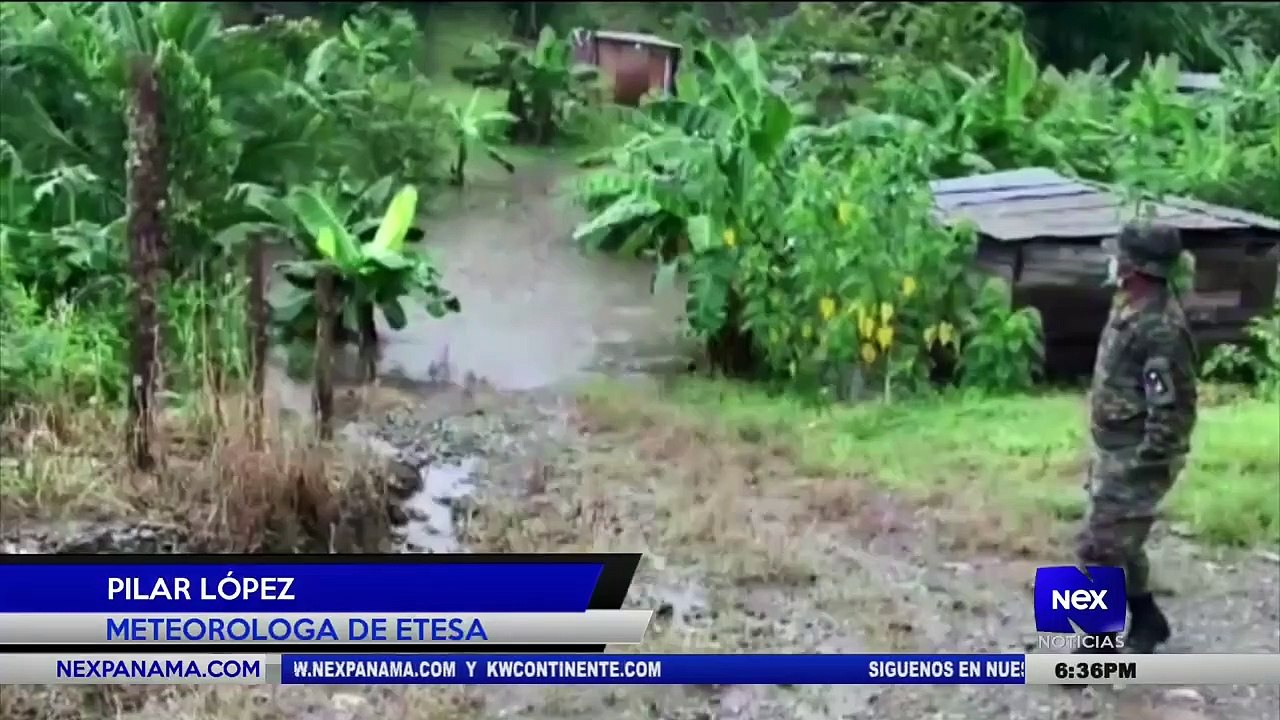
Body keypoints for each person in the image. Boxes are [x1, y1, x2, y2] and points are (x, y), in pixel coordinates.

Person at [1075, 221, 1199, 655]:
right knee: (1121, 546)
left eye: (1121, 254)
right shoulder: (1130, 306)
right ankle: (1147, 622)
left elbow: (1172, 410)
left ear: (1135, 266)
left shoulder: (1160, 326)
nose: (1115, 260)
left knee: (1098, 547)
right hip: (1113, 449)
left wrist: (1144, 467)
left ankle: (1096, 647)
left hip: (1136, 457)